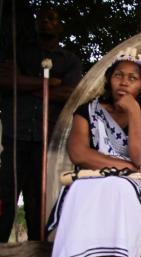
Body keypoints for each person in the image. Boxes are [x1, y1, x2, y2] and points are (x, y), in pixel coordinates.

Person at [47, 48, 141, 257]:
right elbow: (78, 153)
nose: (124, 81)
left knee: (120, 188)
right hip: (92, 179)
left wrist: (134, 112)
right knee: (82, 190)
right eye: (118, 75)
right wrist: (119, 166)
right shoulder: (87, 112)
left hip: (138, 187)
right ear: (109, 79)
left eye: (132, 78)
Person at [0, 6, 82, 242]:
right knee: (6, 192)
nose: (45, 22)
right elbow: (6, 81)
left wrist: (25, 84)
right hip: (16, 134)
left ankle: (38, 252)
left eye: (51, 18)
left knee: (40, 196)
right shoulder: (20, 53)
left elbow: (71, 93)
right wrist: (49, 83)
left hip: (48, 139)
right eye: (41, 18)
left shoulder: (70, 60)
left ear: (60, 26)